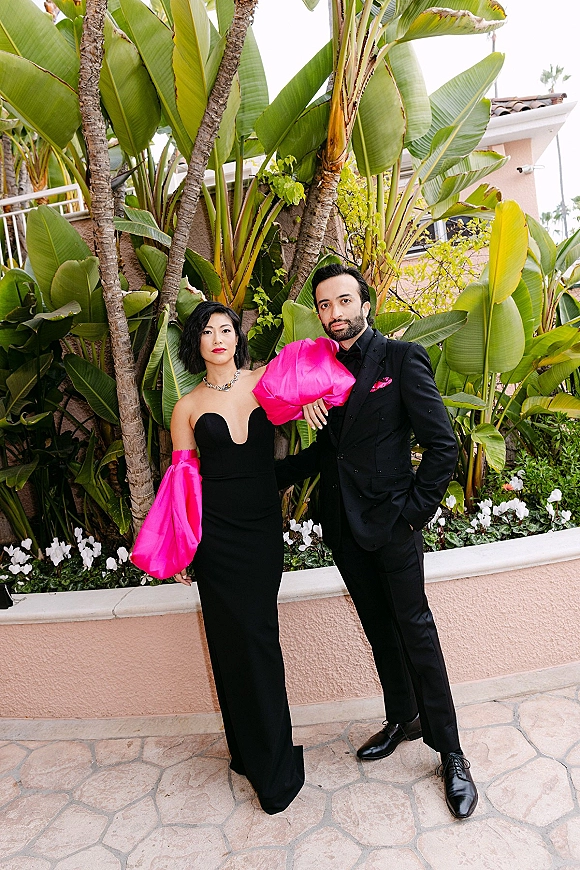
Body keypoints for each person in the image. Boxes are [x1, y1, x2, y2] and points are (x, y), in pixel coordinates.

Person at [133, 300, 354, 815]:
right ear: (196, 344)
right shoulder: (185, 408)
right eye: (207, 331)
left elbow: (321, 392)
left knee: (259, 641)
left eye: (226, 329)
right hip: (215, 541)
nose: (218, 338)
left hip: (259, 537)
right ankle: (248, 751)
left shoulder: (266, 383)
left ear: (237, 337)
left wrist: (321, 443)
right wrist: (186, 547)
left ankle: (273, 768)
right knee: (230, 642)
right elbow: (185, 487)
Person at [275, 263, 478, 820]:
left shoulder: (401, 359)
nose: (334, 314)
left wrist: (411, 515)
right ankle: (403, 716)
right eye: (324, 305)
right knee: (377, 628)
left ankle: (451, 751)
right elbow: (329, 455)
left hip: (393, 524)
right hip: (343, 525)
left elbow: (442, 448)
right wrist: (256, 482)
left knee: (417, 634)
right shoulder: (320, 369)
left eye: (344, 301)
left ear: (365, 304)